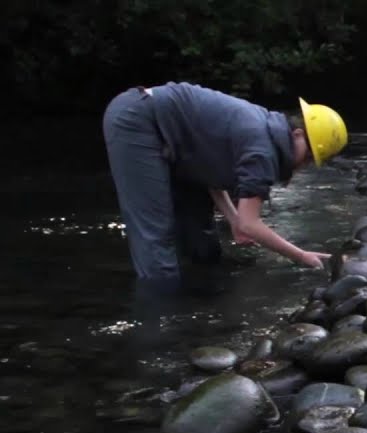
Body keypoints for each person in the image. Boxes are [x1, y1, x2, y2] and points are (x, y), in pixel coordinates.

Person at [103, 82, 347, 288]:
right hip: (137, 121)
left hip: (172, 138)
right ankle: (160, 317)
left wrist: (233, 218)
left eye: (311, 161)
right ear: (297, 134)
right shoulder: (263, 149)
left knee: (200, 239)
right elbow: (250, 224)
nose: (303, 164)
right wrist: (301, 256)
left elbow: (210, 171)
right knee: (156, 235)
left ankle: (196, 294)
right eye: (307, 156)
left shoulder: (266, 130)